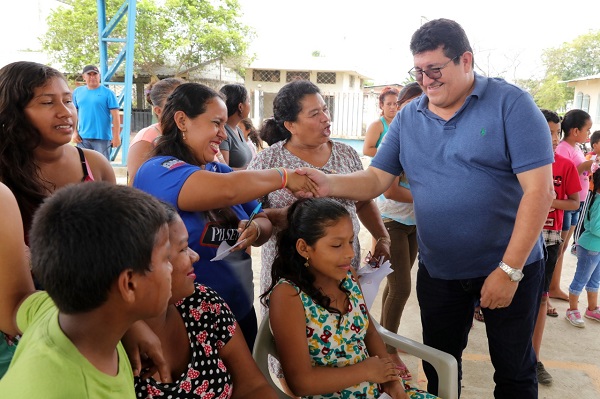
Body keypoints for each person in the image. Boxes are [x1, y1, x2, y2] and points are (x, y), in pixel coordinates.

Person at [298, 18, 554, 398]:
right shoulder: (409, 116)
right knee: (440, 369)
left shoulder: (510, 104)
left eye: (435, 69)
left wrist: (509, 271)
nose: (426, 80)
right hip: (441, 273)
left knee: (515, 372)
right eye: (418, 71)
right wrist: (327, 181)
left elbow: (540, 191)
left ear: (466, 60)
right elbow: (376, 180)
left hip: (509, 267)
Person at [133, 82, 316, 351]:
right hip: (188, 317)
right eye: (215, 123)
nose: (222, 134)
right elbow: (229, 191)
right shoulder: (158, 170)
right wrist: (284, 176)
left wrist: (255, 228)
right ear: (182, 120)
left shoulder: (221, 170)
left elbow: (261, 218)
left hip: (239, 310)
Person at [0, 181, 172, 397]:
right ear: (128, 284)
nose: (172, 266)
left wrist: (131, 326)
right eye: (166, 258)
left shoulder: (56, 315)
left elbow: (19, 306)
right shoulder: (71, 391)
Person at [246, 78, 391, 318]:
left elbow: (363, 202)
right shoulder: (268, 162)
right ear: (291, 124)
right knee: (292, 346)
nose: (326, 117)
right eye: (315, 113)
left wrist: (382, 237)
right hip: (290, 281)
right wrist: (285, 216)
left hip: (342, 275)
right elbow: (251, 214)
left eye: (325, 109)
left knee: (341, 336)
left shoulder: (346, 155)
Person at [262, 198, 412, 399]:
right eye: (336, 245)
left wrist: (392, 381)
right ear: (304, 248)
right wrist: (366, 371)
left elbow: (369, 332)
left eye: (350, 241)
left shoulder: (348, 276)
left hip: (375, 390)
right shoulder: (288, 296)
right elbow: (301, 383)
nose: (350, 253)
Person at [135, 201, 277, 398]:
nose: (195, 257)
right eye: (184, 249)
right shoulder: (112, 344)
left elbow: (254, 386)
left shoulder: (204, 304)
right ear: (134, 272)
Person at [0, 61, 116, 241]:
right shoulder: (4, 175)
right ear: (12, 112)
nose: (66, 112)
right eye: (47, 102)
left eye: (68, 101)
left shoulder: (95, 164)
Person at [375, 82, 423, 380]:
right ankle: (388, 352)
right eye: (414, 105)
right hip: (391, 222)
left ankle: (383, 338)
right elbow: (390, 191)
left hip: (415, 224)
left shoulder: (426, 139)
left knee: (394, 287)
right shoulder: (393, 140)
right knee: (402, 287)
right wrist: (431, 194)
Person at [532, 109, 581, 385]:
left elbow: (574, 203)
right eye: (547, 132)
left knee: (540, 299)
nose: (552, 138)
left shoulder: (565, 165)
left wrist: (549, 201)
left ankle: (534, 359)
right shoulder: (518, 163)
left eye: (555, 132)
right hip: (518, 239)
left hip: (549, 240)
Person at [551, 109, 593, 301]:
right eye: (587, 130)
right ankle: (551, 287)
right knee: (557, 246)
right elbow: (563, 174)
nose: (589, 134)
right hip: (566, 204)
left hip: (578, 203)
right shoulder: (562, 149)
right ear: (575, 131)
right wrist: (584, 167)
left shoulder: (577, 148)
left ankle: (554, 285)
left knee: (564, 245)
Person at [128, 78, 185, 184]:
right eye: (177, 104)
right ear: (158, 111)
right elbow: (137, 186)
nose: (187, 109)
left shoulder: (190, 133)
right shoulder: (145, 139)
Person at [565, 169, 600, 328]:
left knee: (594, 280)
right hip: (590, 247)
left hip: (595, 247)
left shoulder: (595, 197)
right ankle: (572, 309)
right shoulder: (598, 200)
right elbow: (595, 228)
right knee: (581, 279)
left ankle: (592, 309)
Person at [72, 65, 121, 160]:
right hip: (83, 138)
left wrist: (116, 136)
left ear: (99, 76)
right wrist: (74, 132)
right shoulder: (77, 92)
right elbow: (74, 114)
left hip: (102, 137)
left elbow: (115, 116)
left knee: (101, 166)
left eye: (95, 74)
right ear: (84, 77)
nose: (92, 77)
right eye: (89, 74)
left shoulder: (108, 93)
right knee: (83, 167)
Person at [219, 84, 254, 169]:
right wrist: (251, 170)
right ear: (240, 107)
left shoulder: (238, 130)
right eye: (248, 101)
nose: (250, 105)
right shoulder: (223, 133)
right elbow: (223, 170)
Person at [363, 86, 399, 157]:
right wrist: (389, 155)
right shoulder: (377, 125)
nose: (392, 107)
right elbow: (366, 150)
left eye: (395, 104)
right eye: (389, 104)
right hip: (380, 167)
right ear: (382, 105)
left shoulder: (402, 124)